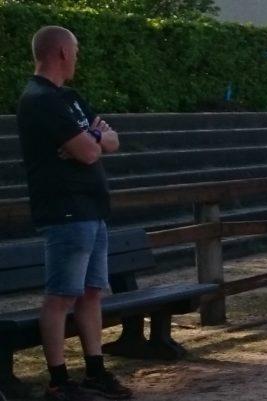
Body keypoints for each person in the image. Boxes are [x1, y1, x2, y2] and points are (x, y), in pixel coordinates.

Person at [18, 25, 136, 401]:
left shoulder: (69, 97)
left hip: (92, 208)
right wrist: (92, 142)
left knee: (90, 293)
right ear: (63, 53)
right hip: (66, 210)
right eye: (77, 52)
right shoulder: (40, 99)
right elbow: (88, 152)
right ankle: (58, 381)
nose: (78, 59)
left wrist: (94, 139)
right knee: (60, 296)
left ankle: (95, 372)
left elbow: (107, 141)